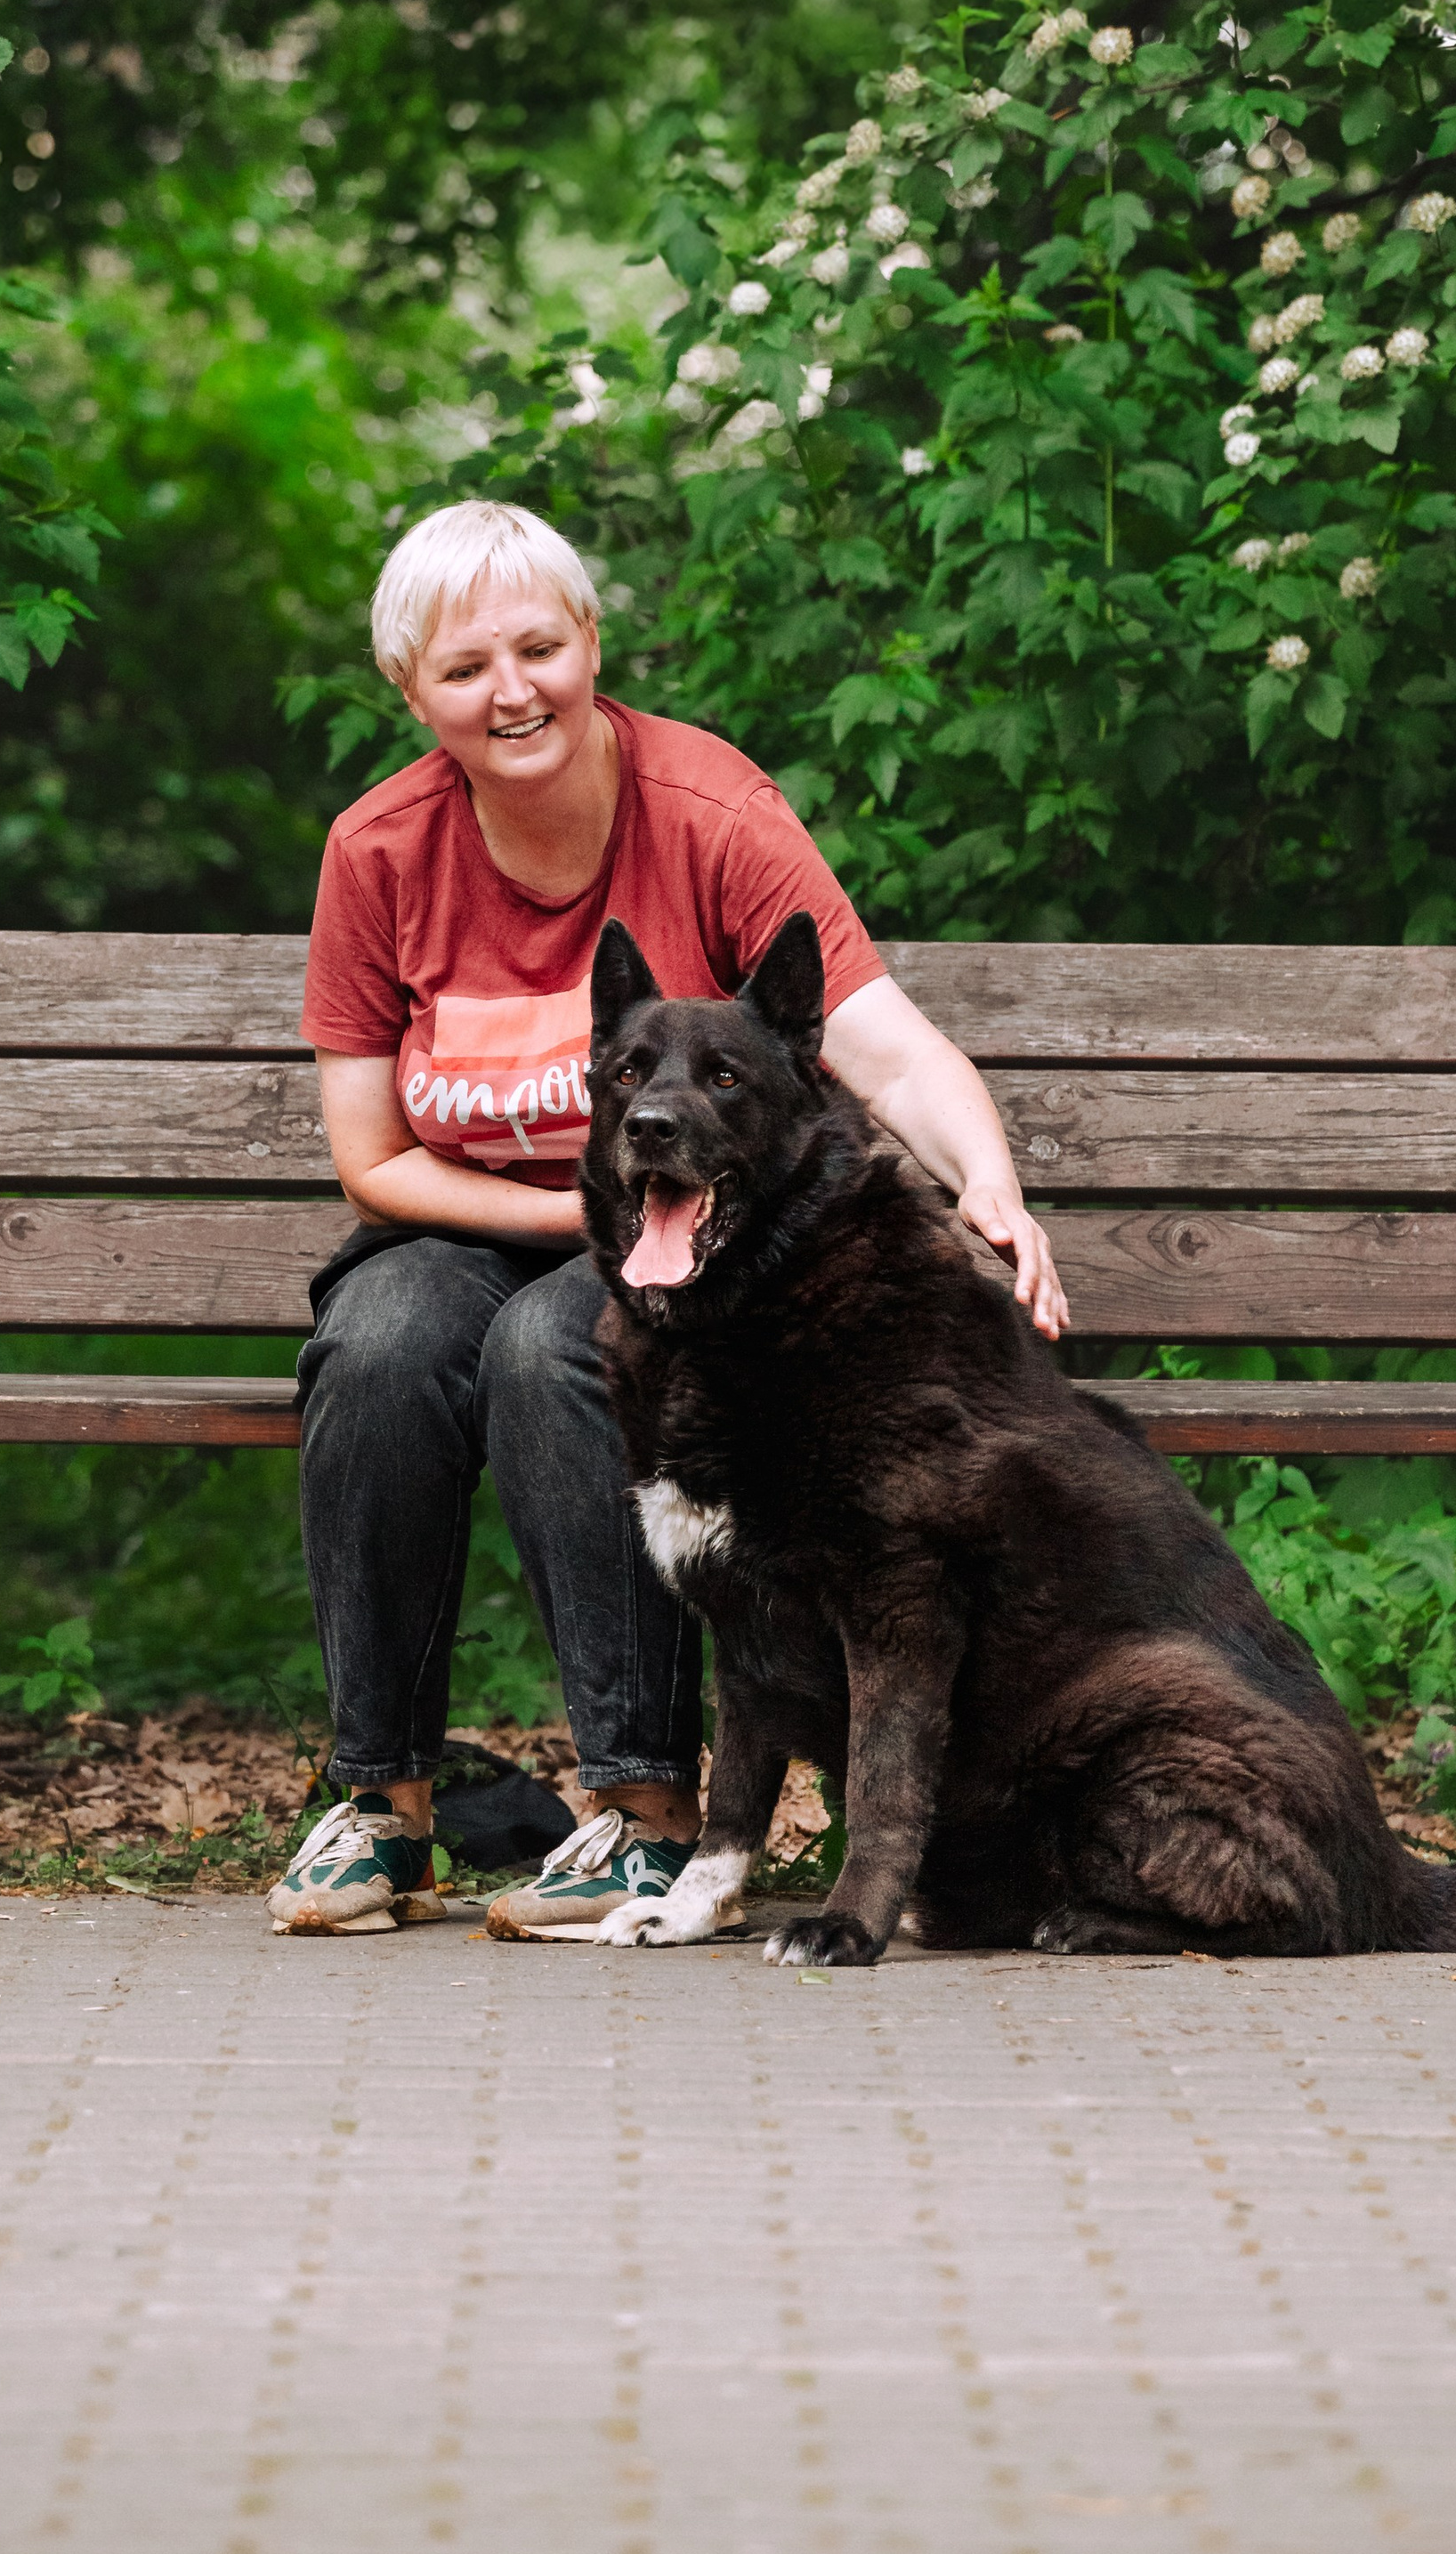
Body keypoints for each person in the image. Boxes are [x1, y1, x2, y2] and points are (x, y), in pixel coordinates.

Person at [268, 498, 1070, 1939]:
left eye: (538, 647)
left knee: (557, 1347)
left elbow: (884, 1050)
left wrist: (988, 1178)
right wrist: (579, 1222)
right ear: (410, 689)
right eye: (465, 667)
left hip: (691, 1244)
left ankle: (640, 1813)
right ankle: (380, 1804)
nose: (512, 690)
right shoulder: (378, 850)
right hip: (478, 1214)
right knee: (381, 1341)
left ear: (591, 640)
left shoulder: (711, 812)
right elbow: (371, 1158)